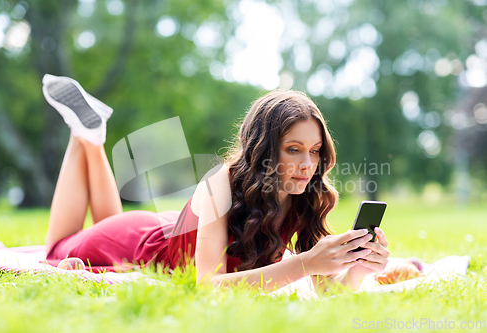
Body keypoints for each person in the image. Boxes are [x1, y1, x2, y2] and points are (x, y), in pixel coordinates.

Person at [41, 74, 390, 293]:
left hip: (167, 230)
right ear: (263, 148)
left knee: (102, 221)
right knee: (56, 250)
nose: (307, 165)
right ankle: (85, 134)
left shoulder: (306, 195)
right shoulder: (220, 182)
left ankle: (90, 132)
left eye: (314, 151)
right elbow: (208, 287)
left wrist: (357, 269)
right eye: (293, 150)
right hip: (136, 243)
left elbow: (328, 293)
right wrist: (305, 263)